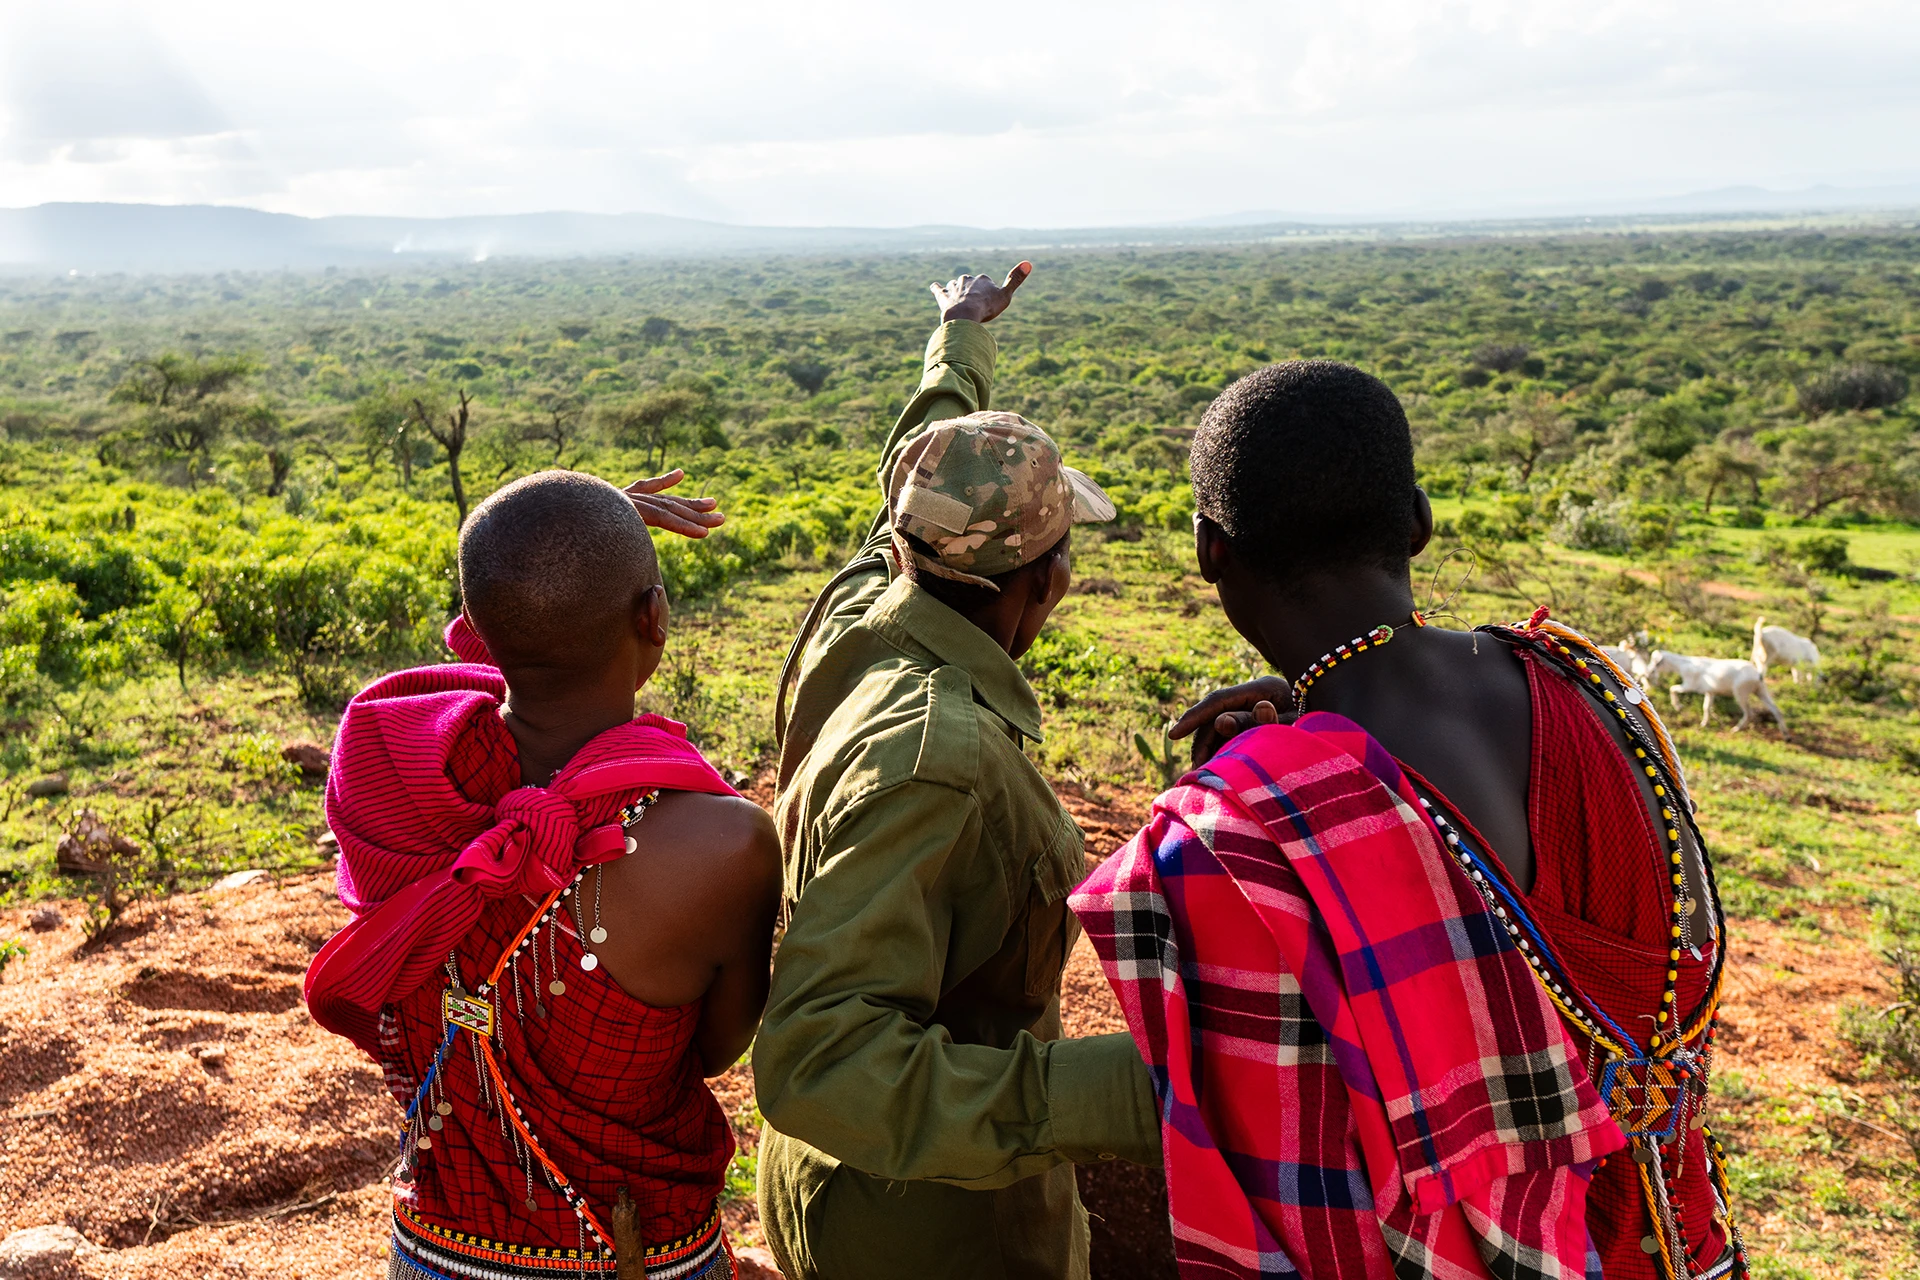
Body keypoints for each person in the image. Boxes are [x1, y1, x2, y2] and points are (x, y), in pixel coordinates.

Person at [1071, 361, 1747, 1279]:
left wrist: (1273, 775)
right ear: (1419, 523)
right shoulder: (1597, 689)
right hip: (1679, 1241)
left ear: (1209, 552)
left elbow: (1296, 1182)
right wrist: (1304, 738)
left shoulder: (1228, 841)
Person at [753, 265, 1163, 1280]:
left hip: (843, 1182)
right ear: (1047, 581)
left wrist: (961, 339)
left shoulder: (867, 606)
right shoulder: (938, 760)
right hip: (934, 1225)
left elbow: (911, 470)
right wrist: (1135, 1090)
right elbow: (821, 1059)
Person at [304, 469, 781, 1280]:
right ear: (655, 618)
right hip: (635, 1253)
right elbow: (714, 1050)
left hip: (437, 1249)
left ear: (482, 624)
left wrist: (560, 552)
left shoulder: (390, 764)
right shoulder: (724, 845)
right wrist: (596, 547)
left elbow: (494, 628)